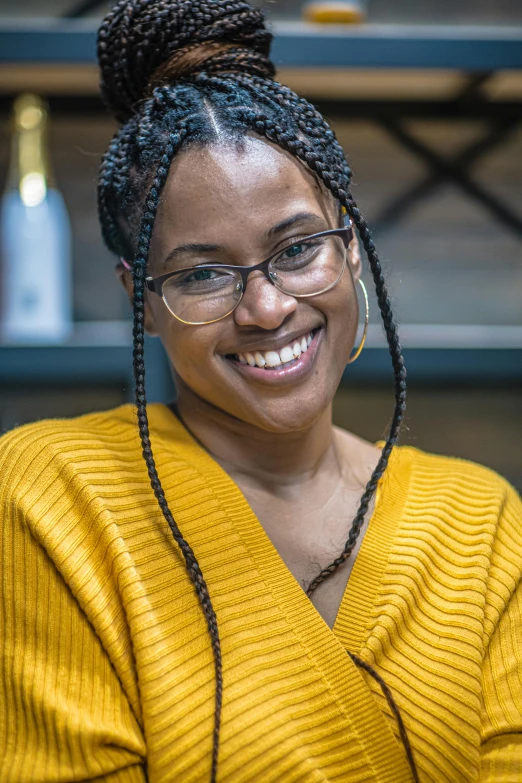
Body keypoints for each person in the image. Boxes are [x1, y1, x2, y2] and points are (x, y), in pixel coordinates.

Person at [1, 2, 521, 781]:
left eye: (298, 248)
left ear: (347, 245)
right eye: (204, 272)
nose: (268, 307)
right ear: (141, 297)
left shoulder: (480, 523)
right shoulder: (48, 498)